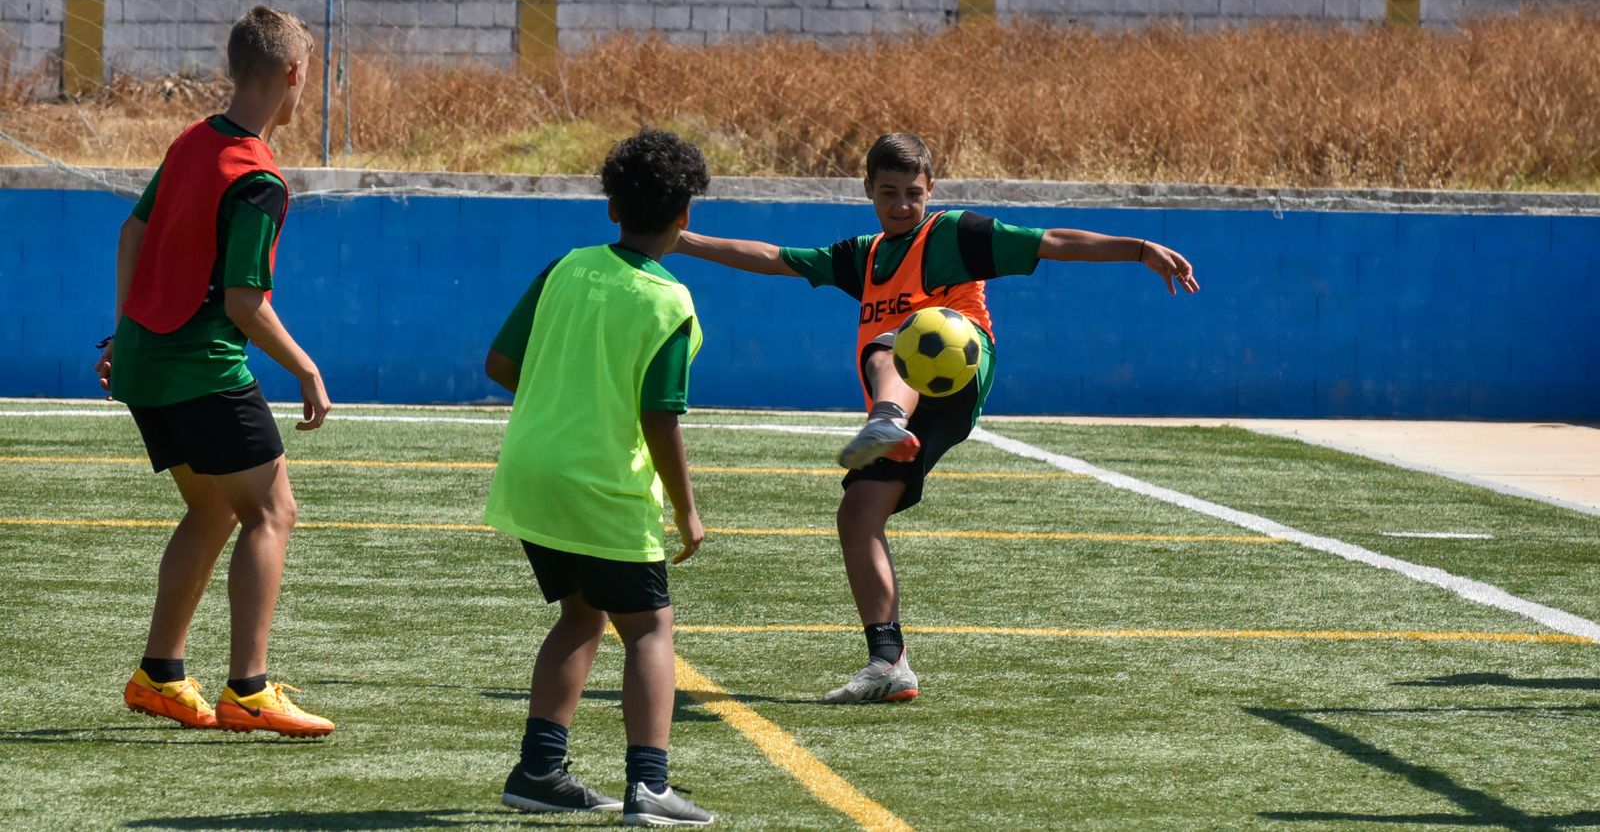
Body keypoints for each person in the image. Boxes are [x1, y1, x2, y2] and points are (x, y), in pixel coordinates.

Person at [673, 132, 1200, 704]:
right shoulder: (864, 256)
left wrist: (1139, 247)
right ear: (867, 189)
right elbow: (776, 258)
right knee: (857, 513)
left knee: (897, 338)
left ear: (932, 189)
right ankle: (888, 661)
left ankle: (888, 419)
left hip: (959, 374)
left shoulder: (955, 233)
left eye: (914, 194)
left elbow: (1050, 241)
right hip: (909, 402)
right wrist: (683, 241)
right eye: (890, 193)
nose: (903, 205)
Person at [96, 6, 333, 736]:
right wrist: (306, 368)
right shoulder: (259, 177)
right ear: (294, 75)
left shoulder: (192, 141)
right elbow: (242, 304)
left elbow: (132, 230)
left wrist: (122, 330)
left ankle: (160, 674)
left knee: (211, 508)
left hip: (143, 359)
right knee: (272, 511)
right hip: (202, 365)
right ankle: (249, 691)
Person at [483, 128, 714, 826]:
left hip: (531, 475)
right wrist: (688, 509)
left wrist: (562, 400)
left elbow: (500, 364)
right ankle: (650, 785)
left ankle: (539, 771)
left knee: (580, 615)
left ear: (612, 208)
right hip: (603, 487)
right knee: (648, 628)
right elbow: (659, 417)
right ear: (684, 215)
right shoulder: (669, 301)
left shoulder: (565, 266)